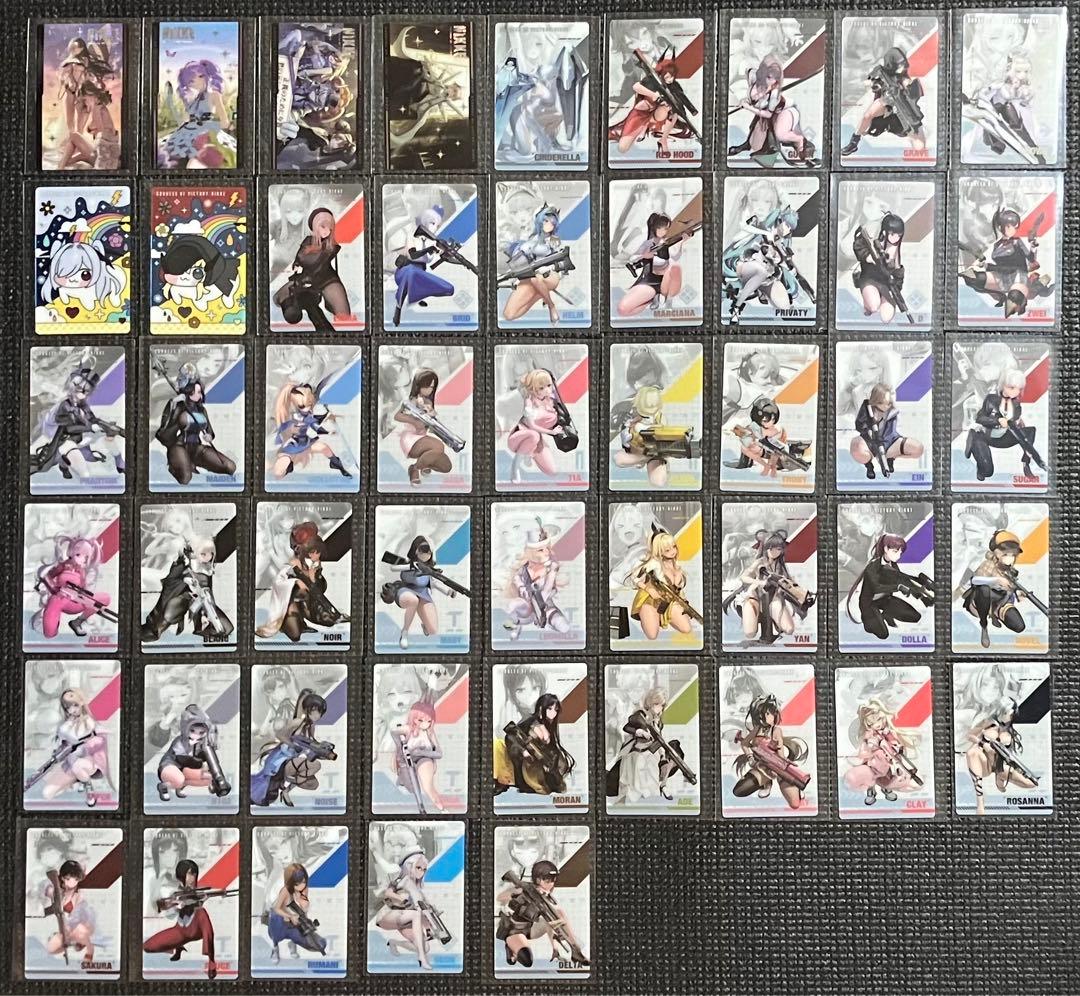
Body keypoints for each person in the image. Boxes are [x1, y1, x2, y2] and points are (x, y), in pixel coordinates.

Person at [142, 860, 218, 979]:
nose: (192, 878)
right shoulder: (175, 892)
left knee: (202, 913)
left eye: (194, 874)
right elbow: (162, 907)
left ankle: (211, 961)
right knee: (148, 946)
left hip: (196, 928)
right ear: (182, 875)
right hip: (181, 931)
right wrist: (175, 905)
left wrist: (202, 899)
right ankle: (178, 947)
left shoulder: (199, 892)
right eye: (189, 874)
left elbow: (207, 896)